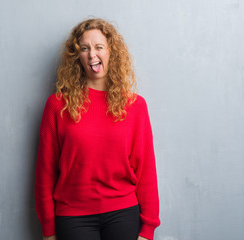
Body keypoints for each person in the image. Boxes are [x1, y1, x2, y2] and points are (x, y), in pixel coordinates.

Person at [34, 18, 160, 240]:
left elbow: (146, 168)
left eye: (99, 47)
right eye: (85, 48)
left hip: (123, 214)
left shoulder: (135, 106)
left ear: (111, 52)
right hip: (73, 217)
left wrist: (148, 229)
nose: (92, 54)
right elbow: (45, 172)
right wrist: (48, 230)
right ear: (78, 57)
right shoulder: (57, 106)